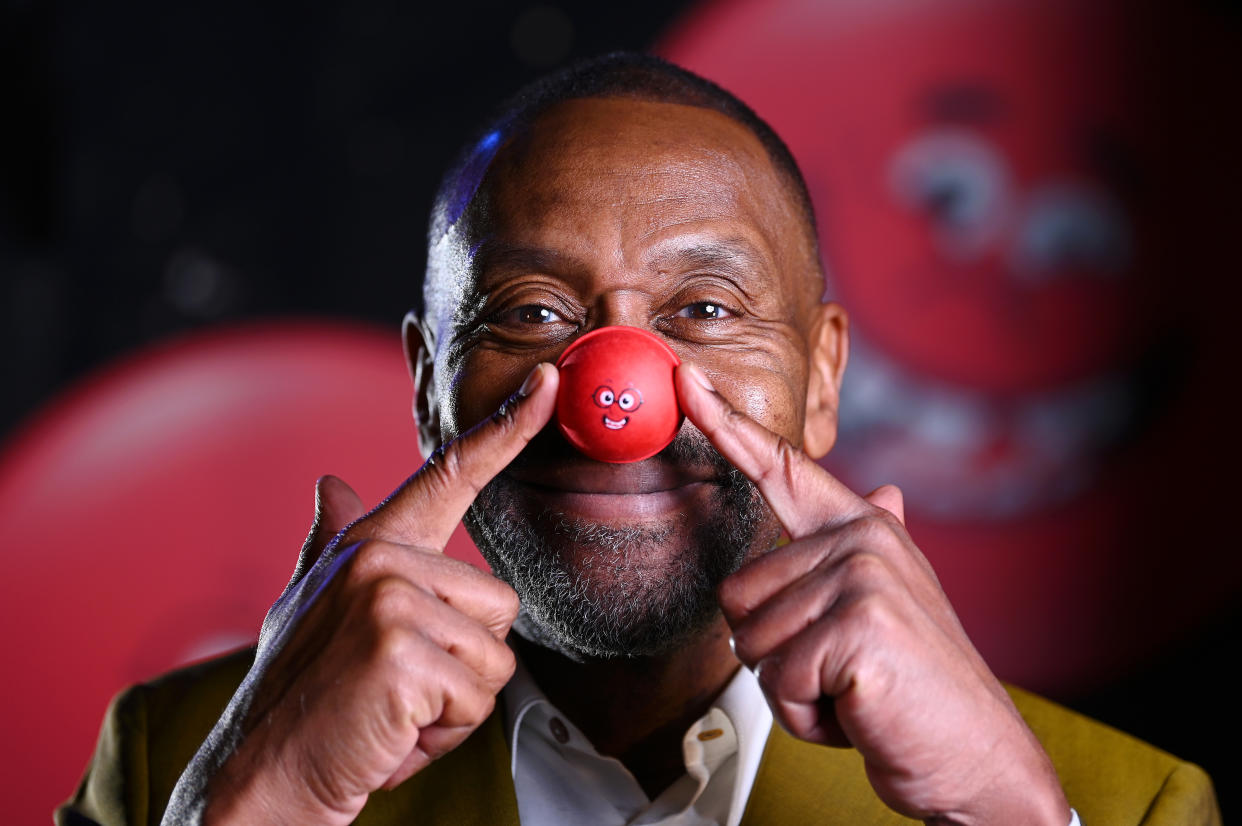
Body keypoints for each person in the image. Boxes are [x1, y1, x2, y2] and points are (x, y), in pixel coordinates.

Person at [59, 53, 1219, 826]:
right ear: (427, 384)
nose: (618, 397)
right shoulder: (174, 759)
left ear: (823, 381)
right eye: (534, 315)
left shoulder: (1121, 806)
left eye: (703, 312)